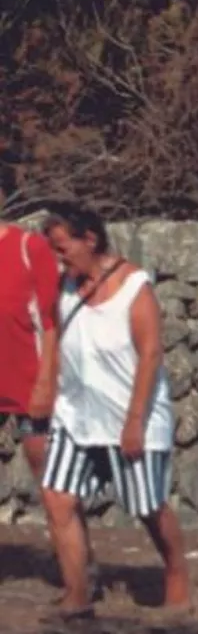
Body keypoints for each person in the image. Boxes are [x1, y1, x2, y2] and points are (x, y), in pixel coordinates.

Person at [40, 204, 189, 617]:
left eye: (63, 248)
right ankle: (77, 594)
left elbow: (150, 354)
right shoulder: (65, 288)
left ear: (90, 239)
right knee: (57, 497)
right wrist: (49, 393)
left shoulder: (132, 286)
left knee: (146, 505)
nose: (60, 258)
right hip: (77, 414)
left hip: (130, 414)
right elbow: (57, 341)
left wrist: (135, 422)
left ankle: (176, 573)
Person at [1, 213, 60, 500]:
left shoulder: (29, 246)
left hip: (27, 380)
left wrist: (45, 382)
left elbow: (51, 321)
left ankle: (69, 542)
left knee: (47, 471)